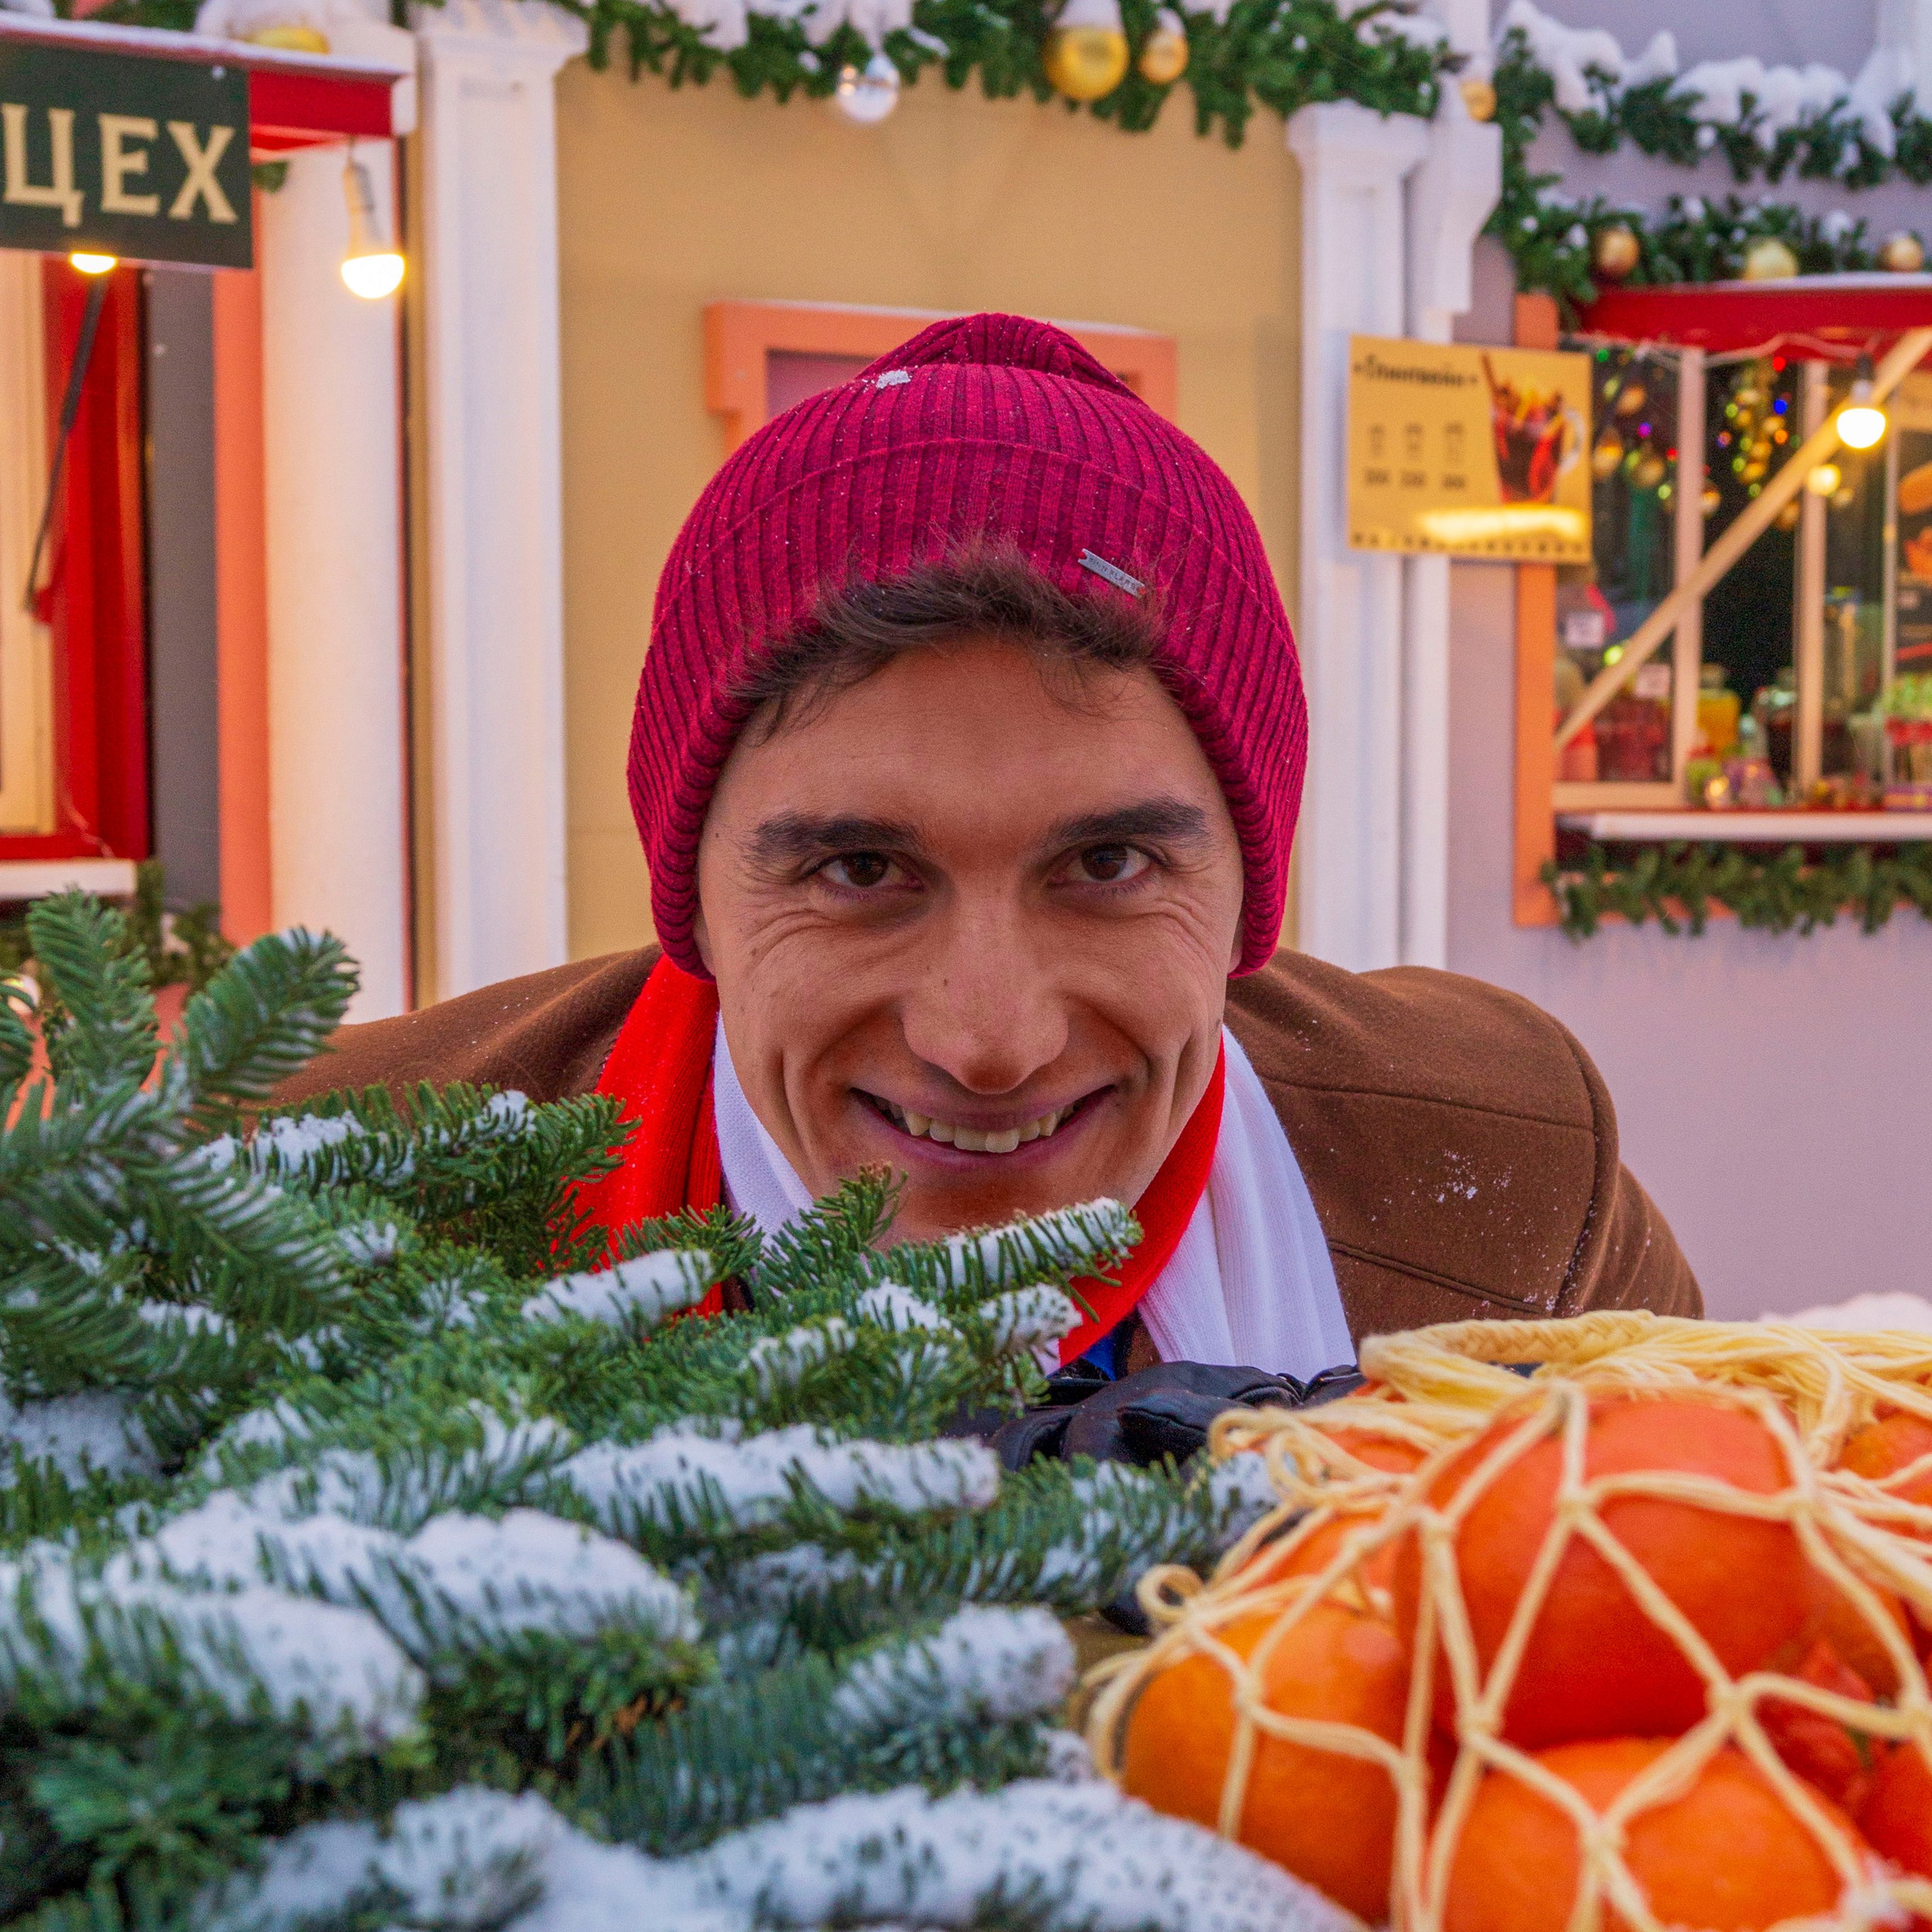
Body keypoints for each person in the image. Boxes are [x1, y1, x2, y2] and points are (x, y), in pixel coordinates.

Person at [277, 313, 1697, 1459]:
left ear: (1249, 892)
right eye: (859, 869)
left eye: (1108, 863)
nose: (988, 1039)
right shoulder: (318, 1213)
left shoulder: (1503, 1178)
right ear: (693, 898)